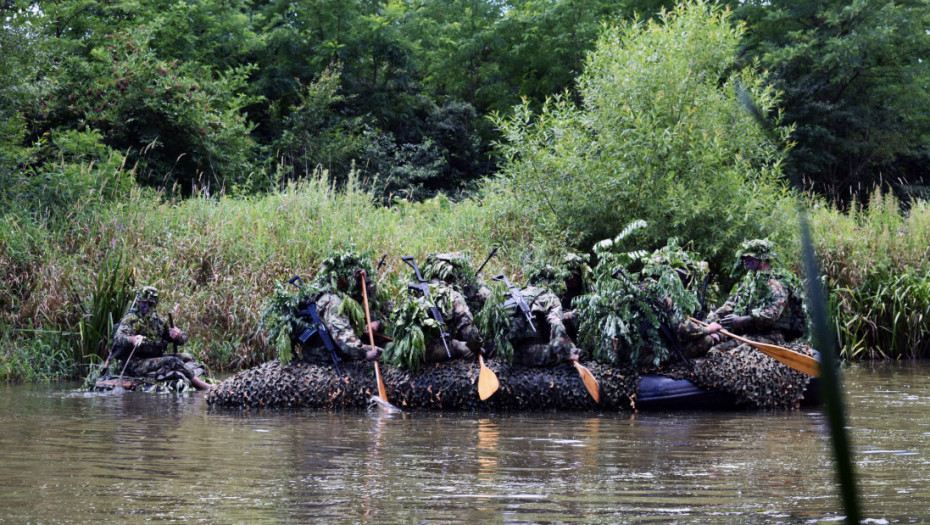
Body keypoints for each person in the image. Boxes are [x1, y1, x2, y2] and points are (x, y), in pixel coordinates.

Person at [707, 239, 806, 347]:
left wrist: (741, 320)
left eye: (750, 259)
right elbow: (730, 305)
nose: (746, 262)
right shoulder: (749, 283)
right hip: (749, 334)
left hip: (770, 336)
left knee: (729, 353)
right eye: (745, 259)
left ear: (763, 260)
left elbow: (771, 314)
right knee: (715, 349)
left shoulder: (776, 284)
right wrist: (712, 319)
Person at [112, 286, 212, 390]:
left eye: (150, 304)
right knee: (173, 360)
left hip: (155, 358)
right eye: (143, 303)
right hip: (135, 363)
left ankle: (190, 378)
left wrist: (178, 336)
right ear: (139, 302)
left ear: (154, 304)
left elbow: (181, 338)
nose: (146, 307)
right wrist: (132, 339)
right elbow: (118, 337)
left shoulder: (158, 320)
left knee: (188, 356)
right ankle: (204, 386)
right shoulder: (131, 319)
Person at [294, 254, 384, 364]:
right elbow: (343, 336)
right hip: (324, 355)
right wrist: (365, 353)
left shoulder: (323, 294)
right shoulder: (331, 300)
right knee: (383, 353)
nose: (351, 278)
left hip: (328, 350)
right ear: (337, 277)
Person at [498, 269, 582, 367]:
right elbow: (555, 322)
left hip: (510, 352)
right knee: (573, 353)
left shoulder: (519, 294)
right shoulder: (549, 296)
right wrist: (568, 352)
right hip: (533, 351)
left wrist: (569, 315)